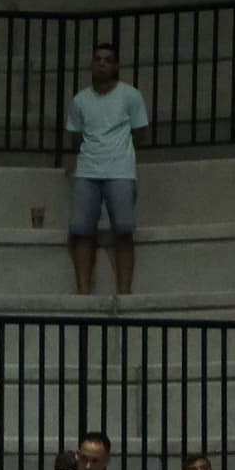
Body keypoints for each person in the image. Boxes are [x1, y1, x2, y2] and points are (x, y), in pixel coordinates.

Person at [62, 44, 149, 296]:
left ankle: (124, 292)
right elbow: (74, 137)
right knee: (81, 232)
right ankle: (83, 292)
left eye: (107, 59)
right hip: (87, 171)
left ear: (116, 65)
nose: (102, 63)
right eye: (97, 59)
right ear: (91, 64)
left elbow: (140, 133)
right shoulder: (79, 100)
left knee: (123, 230)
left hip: (120, 171)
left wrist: (120, 154)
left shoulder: (130, 95)